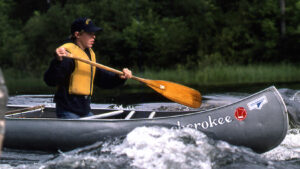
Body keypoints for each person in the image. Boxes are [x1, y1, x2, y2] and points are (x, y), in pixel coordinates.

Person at [44, 17, 132, 119]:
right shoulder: (67, 56)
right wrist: (58, 61)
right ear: (77, 35)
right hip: (68, 111)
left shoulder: (89, 54)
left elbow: (102, 79)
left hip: (84, 110)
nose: (94, 37)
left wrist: (120, 77)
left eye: (94, 34)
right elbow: (50, 80)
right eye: (90, 33)